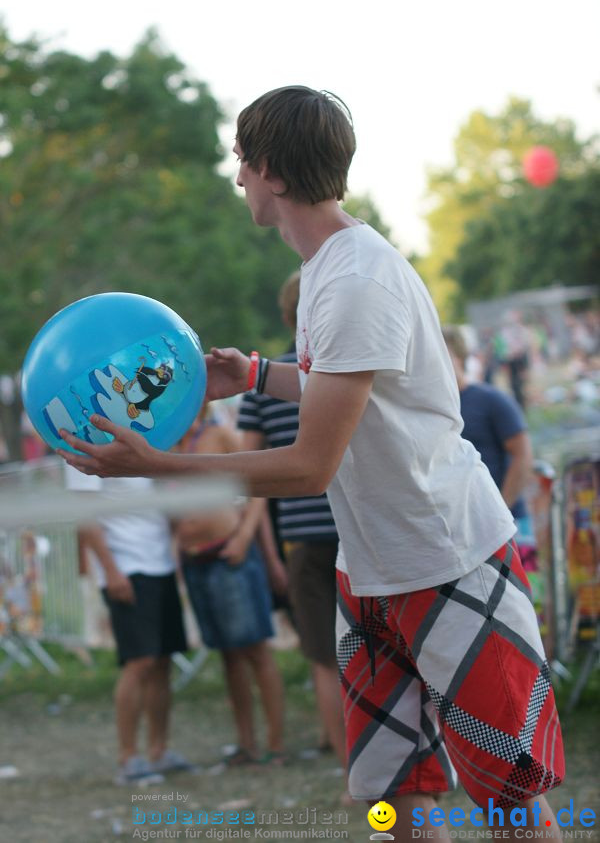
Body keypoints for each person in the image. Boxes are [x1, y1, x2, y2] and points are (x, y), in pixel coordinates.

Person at [59, 86, 564, 839]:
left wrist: (155, 466)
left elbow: (310, 466)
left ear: (275, 173)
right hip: (371, 570)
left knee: (508, 796)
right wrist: (257, 373)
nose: (236, 179)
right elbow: (352, 386)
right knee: (390, 796)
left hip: (446, 560)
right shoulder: (331, 266)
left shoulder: (357, 279)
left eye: (242, 162)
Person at [237, 269, 346, 769]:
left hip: (303, 539)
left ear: (287, 318)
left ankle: (352, 774)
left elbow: (247, 478)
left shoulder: (262, 385)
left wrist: (266, 550)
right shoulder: (345, 371)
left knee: (324, 658)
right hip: (356, 530)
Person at [173, 402, 287, 766]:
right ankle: (246, 743)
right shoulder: (169, 445)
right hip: (196, 560)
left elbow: (258, 484)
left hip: (230, 554)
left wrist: (244, 536)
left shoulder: (218, 434)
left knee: (256, 651)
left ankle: (276, 744)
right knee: (228, 655)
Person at [65, 468, 190, 785]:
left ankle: (159, 751)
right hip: (126, 568)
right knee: (139, 662)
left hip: (160, 562)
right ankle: (128, 757)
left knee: (162, 661)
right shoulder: (84, 443)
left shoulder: (141, 431)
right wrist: (111, 570)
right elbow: (84, 515)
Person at [441, 326, 543, 613]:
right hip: (459, 533)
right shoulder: (431, 409)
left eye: (442, 353)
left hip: (510, 523)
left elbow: (523, 456)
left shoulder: (490, 400)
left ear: (460, 357)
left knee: (527, 607)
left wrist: (500, 508)